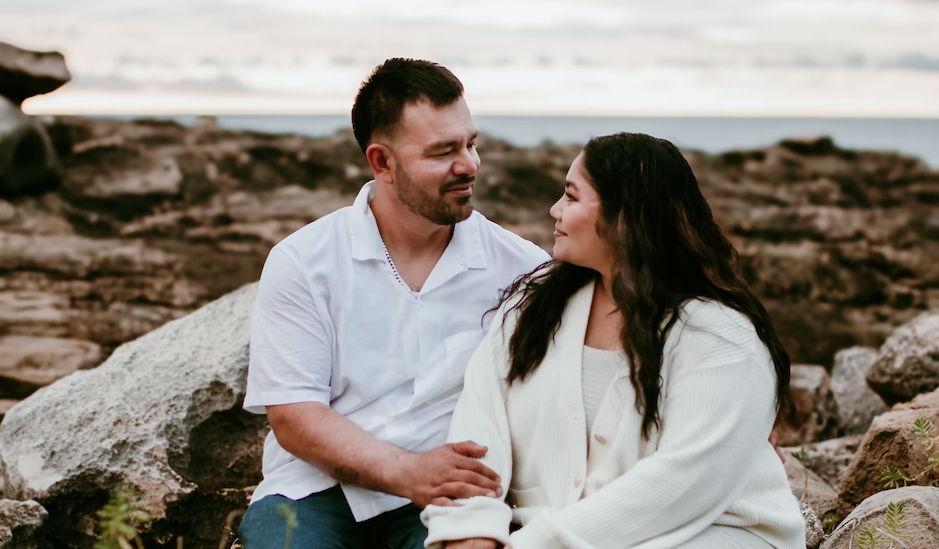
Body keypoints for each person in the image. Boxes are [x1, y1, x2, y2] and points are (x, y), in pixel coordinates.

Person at [422, 132, 806, 548]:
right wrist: (472, 530)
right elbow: (479, 427)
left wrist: (528, 545)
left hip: (707, 535)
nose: (555, 209)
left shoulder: (720, 335)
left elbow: (679, 485)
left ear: (625, 217)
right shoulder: (533, 305)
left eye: (571, 197)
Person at [237, 58, 549, 548]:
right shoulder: (304, 260)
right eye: (443, 152)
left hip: (447, 498)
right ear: (382, 162)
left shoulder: (522, 268)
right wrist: (408, 472)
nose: (468, 165)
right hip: (314, 489)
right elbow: (294, 415)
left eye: (470, 144)